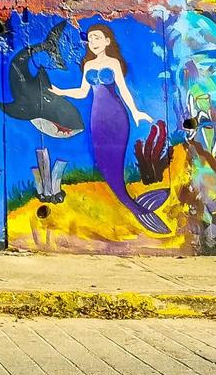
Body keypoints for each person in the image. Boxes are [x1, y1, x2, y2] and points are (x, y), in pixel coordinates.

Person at [50, 23, 170, 233]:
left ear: (107, 41)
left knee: (115, 164)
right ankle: (138, 207)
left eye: (97, 38)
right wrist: (61, 92)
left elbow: (123, 90)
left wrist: (135, 112)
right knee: (105, 166)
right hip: (97, 117)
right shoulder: (87, 65)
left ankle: (137, 209)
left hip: (116, 116)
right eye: (90, 38)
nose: (93, 42)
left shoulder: (113, 63)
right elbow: (82, 92)